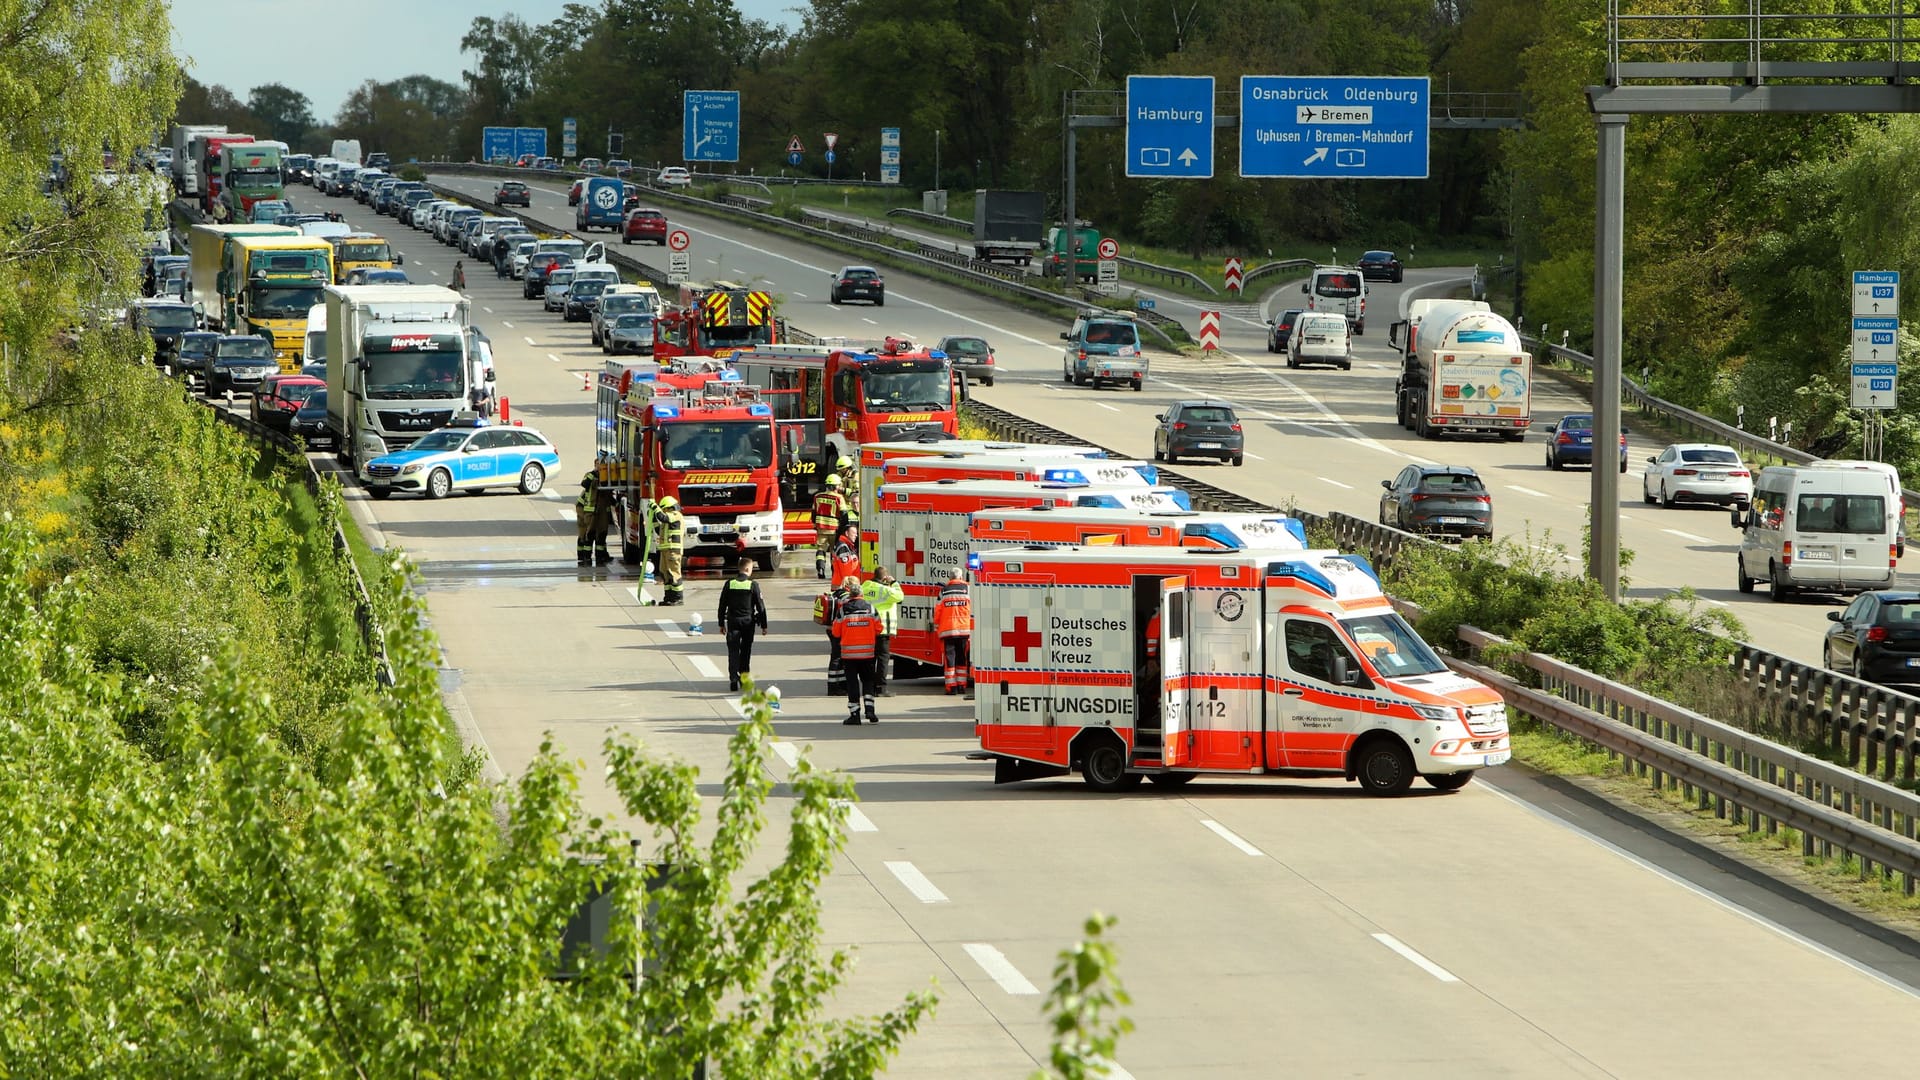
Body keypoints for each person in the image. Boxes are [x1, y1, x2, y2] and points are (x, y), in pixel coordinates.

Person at [718, 546, 768, 692]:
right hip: (748, 622)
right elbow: (760, 606)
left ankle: (733, 678)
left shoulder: (729, 584)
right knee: (745, 651)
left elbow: (722, 605)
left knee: (733, 651)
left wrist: (721, 623)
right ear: (747, 569)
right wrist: (764, 625)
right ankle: (744, 678)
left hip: (733, 621)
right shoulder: (753, 585)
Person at [832, 577, 881, 724]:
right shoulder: (870, 608)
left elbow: (835, 632)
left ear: (851, 595)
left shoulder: (843, 610)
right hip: (867, 654)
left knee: (852, 684)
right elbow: (879, 628)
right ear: (861, 594)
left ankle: (855, 715)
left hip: (849, 655)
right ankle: (870, 711)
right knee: (868, 681)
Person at [861, 566, 905, 696]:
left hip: (867, 629)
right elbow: (900, 596)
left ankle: (868, 688)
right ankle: (880, 688)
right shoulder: (886, 590)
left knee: (870, 659)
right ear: (885, 577)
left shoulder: (865, 587)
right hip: (882, 630)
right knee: (882, 660)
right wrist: (894, 582)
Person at [934, 569, 973, 696]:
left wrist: (936, 626)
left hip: (948, 630)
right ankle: (962, 686)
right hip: (964, 629)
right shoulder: (968, 589)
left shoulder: (944, 591)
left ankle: (951, 687)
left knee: (950, 659)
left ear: (950, 578)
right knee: (962, 657)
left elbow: (938, 611)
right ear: (961, 576)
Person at [576, 466, 615, 565]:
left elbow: (608, 495)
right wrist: (594, 473)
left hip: (600, 510)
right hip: (587, 509)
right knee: (587, 534)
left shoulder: (606, 477)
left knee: (601, 534)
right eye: (598, 464)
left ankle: (601, 556)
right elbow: (584, 484)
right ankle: (584, 557)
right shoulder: (590, 475)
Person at [811, 473, 846, 580]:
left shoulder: (817, 496)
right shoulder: (839, 498)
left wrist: (815, 524)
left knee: (821, 550)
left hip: (821, 528)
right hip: (834, 529)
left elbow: (813, 512)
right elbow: (844, 514)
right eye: (839, 485)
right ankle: (834, 572)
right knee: (834, 551)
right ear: (835, 486)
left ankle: (820, 569)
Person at [653, 494, 685, 604]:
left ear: (670, 507)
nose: (663, 511)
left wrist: (655, 508)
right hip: (665, 550)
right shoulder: (667, 521)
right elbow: (658, 530)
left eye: (664, 509)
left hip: (673, 550)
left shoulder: (676, 515)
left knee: (674, 574)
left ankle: (678, 597)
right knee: (665, 574)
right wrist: (652, 516)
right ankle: (668, 598)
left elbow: (663, 517)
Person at [837, 456, 860, 526]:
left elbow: (857, 492)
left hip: (852, 505)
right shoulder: (839, 475)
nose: (840, 470)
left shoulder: (855, 476)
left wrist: (843, 490)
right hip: (842, 504)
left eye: (842, 469)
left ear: (847, 468)